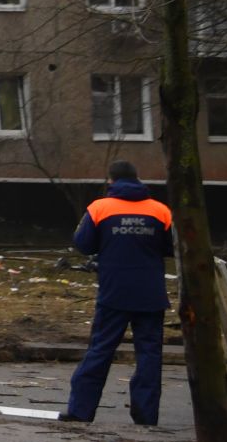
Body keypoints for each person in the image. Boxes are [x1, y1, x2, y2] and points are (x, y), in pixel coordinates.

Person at [62, 160, 173, 426]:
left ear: (111, 181)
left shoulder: (100, 208)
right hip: (150, 294)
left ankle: (80, 411)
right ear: (138, 180)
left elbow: (84, 245)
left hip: (114, 293)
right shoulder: (160, 211)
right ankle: (146, 416)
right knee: (149, 355)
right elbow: (170, 248)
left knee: (100, 351)